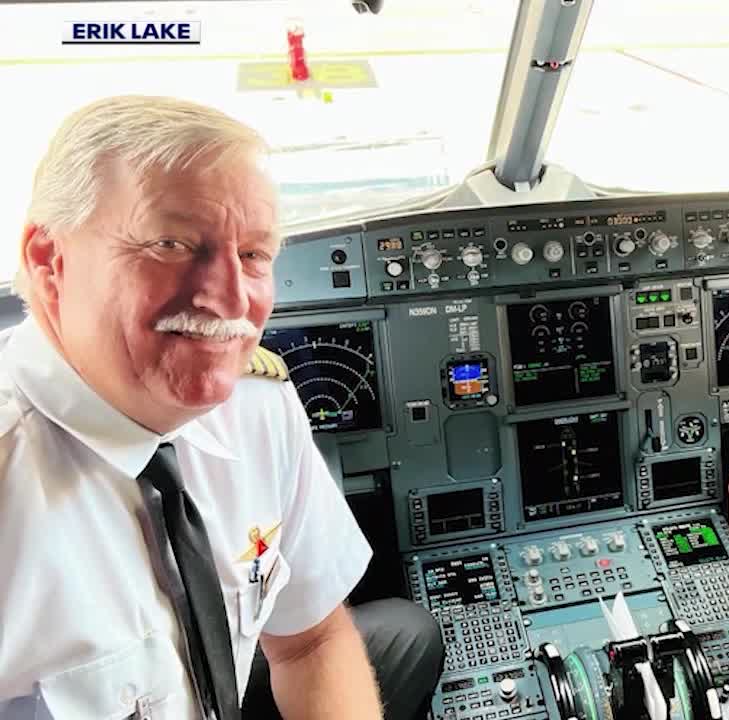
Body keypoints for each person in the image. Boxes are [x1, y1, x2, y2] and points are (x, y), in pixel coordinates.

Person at [0, 95, 443, 719]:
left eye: (254, 254)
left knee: (407, 630)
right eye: (172, 243)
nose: (230, 299)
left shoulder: (258, 407)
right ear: (50, 260)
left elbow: (310, 641)